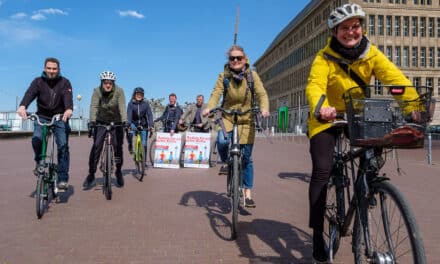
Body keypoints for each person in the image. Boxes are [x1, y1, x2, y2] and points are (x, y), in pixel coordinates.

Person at [306, 4, 419, 263]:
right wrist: (320, 106)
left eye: (355, 26)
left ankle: (365, 192)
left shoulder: (371, 54)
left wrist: (412, 106)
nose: (351, 32)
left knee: (372, 156)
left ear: (361, 28)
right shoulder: (323, 58)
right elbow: (314, 84)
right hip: (327, 117)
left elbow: (395, 80)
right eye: (344, 28)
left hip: (357, 115)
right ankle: (316, 235)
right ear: (335, 32)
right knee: (323, 170)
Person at [202, 45, 270, 208]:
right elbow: (216, 94)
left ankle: (247, 193)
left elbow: (261, 93)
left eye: (239, 58)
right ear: (229, 61)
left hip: (246, 118)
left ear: (245, 59)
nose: (235, 60)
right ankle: (227, 162)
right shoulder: (224, 76)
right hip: (228, 116)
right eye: (232, 58)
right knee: (223, 141)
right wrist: (209, 107)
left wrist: (264, 107)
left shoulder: (252, 76)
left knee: (246, 158)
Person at [17, 57, 73, 191]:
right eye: (49, 68)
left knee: (63, 146)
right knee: (37, 139)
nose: (52, 71)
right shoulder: (38, 82)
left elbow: (67, 97)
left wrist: (68, 109)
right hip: (41, 116)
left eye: (54, 69)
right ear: (44, 68)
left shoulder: (65, 82)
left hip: (59, 117)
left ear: (58, 70)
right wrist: (23, 106)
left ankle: (62, 178)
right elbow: (30, 93)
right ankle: (38, 162)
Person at [83, 71, 127, 189]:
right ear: (102, 83)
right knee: (97, 146)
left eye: (110, 83)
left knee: (118, 147)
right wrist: (92, 121)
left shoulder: (119, 91)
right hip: (101, 121)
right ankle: (91, 173)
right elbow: (94, 106)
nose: (108, 85)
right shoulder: (97, 91)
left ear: (113, 83)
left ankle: (118, 171)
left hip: (117, 122)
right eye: (105, 82)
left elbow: (122, 106)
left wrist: (124, 121)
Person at [126, 87, 154, 157]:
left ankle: (143, 163)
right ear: (134, 95)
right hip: (133, 123)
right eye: (137, 94)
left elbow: (150, 115)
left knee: (144, 144)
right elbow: (129, 115)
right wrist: (128, 124)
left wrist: (151, 126)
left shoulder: (146, 104)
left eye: (141, 94)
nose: (139, 95)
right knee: (130, 133)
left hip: (143, 125)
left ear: (143, 95)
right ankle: (130, 145)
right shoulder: (131, 104)